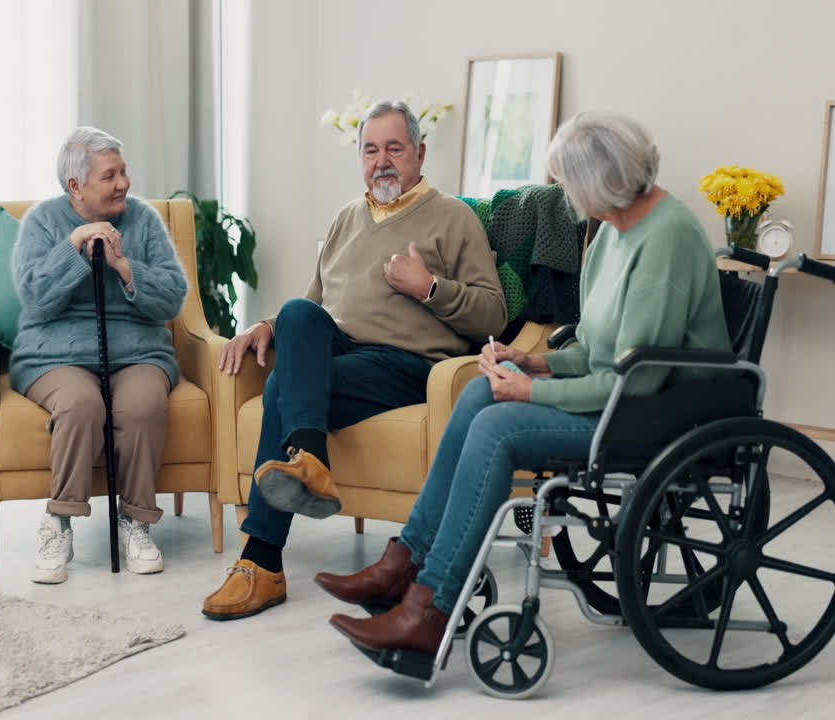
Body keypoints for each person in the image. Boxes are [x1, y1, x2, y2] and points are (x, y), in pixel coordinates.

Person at [318, 112, 733, 658]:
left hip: (657, 415)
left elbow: (634, 380)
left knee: (498, 428)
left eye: (569, 183)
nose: (565, 195)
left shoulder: (666, 239)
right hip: (621, 398)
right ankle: (407, 562)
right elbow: (598, 347)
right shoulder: (612, 229)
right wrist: (536, 364)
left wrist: (530, 394)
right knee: (479, 393)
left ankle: (430, 608)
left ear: (600, 181)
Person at [202, 101, 507, 621]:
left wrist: (429, 287)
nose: (381, 161)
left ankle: (261, 563)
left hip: (407, 365)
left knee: (279, 389)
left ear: (420, 153)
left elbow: (493, 314)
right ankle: (310, 459)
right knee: (296, 312)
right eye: (371, 150)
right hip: (342, 352)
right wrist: (266, 327)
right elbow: (313, 308)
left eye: (394, 148)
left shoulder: (454, 217)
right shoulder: (347, 217)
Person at [11, 126, 188, 584]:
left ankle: (136, 522)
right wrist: (72, 249)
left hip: (137, 350)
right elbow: (35, 297)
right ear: (75, 186)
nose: (124, 183)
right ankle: (59, 521)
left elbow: (172, 298)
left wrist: (125, 268)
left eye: (124, 171)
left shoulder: (143, 220)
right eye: (110, 175)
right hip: (55, 354)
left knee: (144, 403)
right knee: (81, 404)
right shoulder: (42, 222)